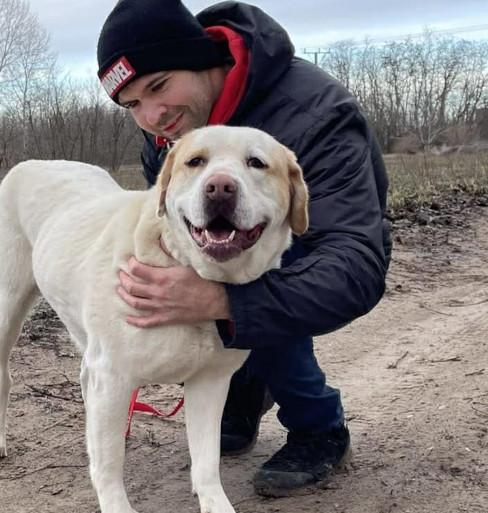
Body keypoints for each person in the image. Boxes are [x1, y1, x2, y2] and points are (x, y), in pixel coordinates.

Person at [96, 0, 391, 497]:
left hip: (323, 242)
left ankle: (317, 425)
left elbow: (353, 264)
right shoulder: (173, 129)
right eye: (132, 105)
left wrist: (222, 301)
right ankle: (242, 388)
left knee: (250, 274)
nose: (152, 116)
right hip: (236, 237)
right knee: (200, 266)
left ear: (199, 59)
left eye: (159, 85)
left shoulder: (315, 114)